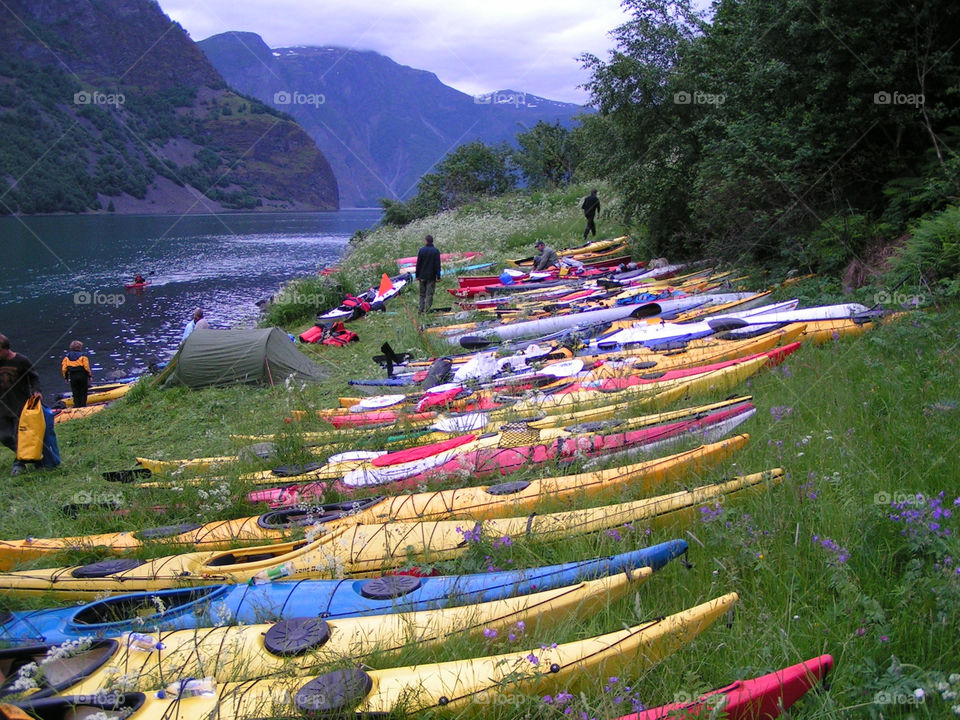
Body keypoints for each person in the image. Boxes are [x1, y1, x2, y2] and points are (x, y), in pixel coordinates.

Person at [0, 333, 40, 476]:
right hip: (2, 407)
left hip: (20, 404)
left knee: (20, 435)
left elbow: (34, 377)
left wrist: (37, 391)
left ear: (5, 349)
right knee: (4, 437)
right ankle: (25, 455)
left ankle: (20, 463)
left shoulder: (21, 360)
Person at [415, 235, 442, 314]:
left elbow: (418, 264)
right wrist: (438, 276)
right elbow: (437, 265)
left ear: (426, 241)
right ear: (432, 241)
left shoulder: (421, 250)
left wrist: (417, 275)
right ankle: (427, 310)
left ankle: (420, 309)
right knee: (429, 294)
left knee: (422, 294)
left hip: (422, 276)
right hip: (431, 276)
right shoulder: (436, 251)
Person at [61, 340, 91, 408]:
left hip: (73, 376)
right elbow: (86, 367)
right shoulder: (83, 356)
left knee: (75, 391)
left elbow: (64, 369)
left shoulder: (66, 357)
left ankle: (76, 405)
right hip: (82, 375)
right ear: (80, 347)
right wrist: (89, 376)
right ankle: (83, 405)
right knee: (83, 391)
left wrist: (66, 377)